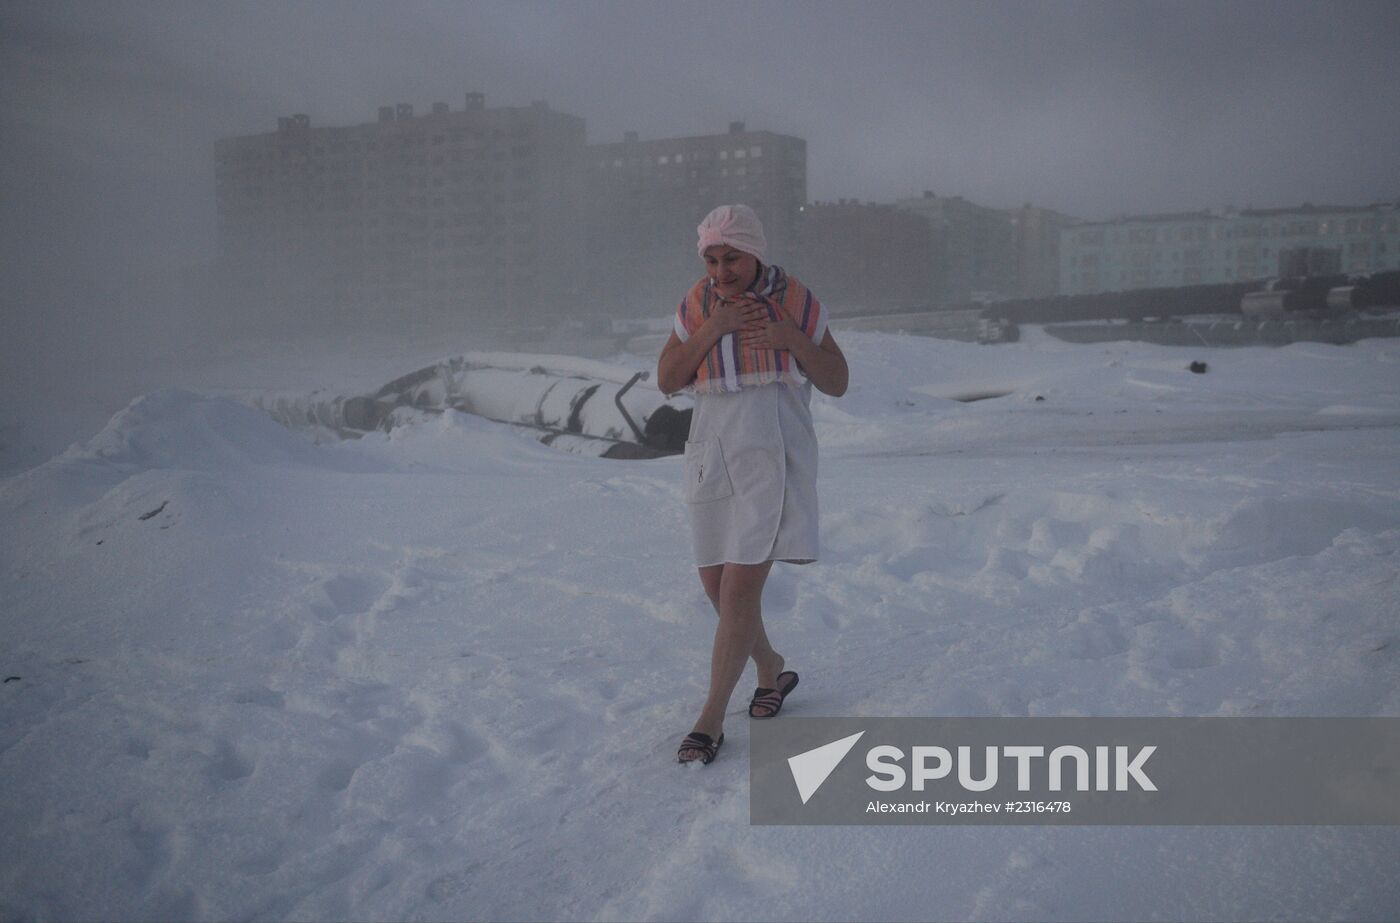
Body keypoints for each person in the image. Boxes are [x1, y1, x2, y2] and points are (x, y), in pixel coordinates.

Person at [656, 204, 849, 765]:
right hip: (712, 447)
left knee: (740, 590)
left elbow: (836, 380)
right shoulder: (695, 305)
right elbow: (668, 379)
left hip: (773, 450)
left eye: (732, 257)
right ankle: (770, 668)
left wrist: (793, 339)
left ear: (755, 251)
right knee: (715, 587)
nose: (721, 271)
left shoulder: (796, 300)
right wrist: (713, 330)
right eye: (712, 259)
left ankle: (711, 717)